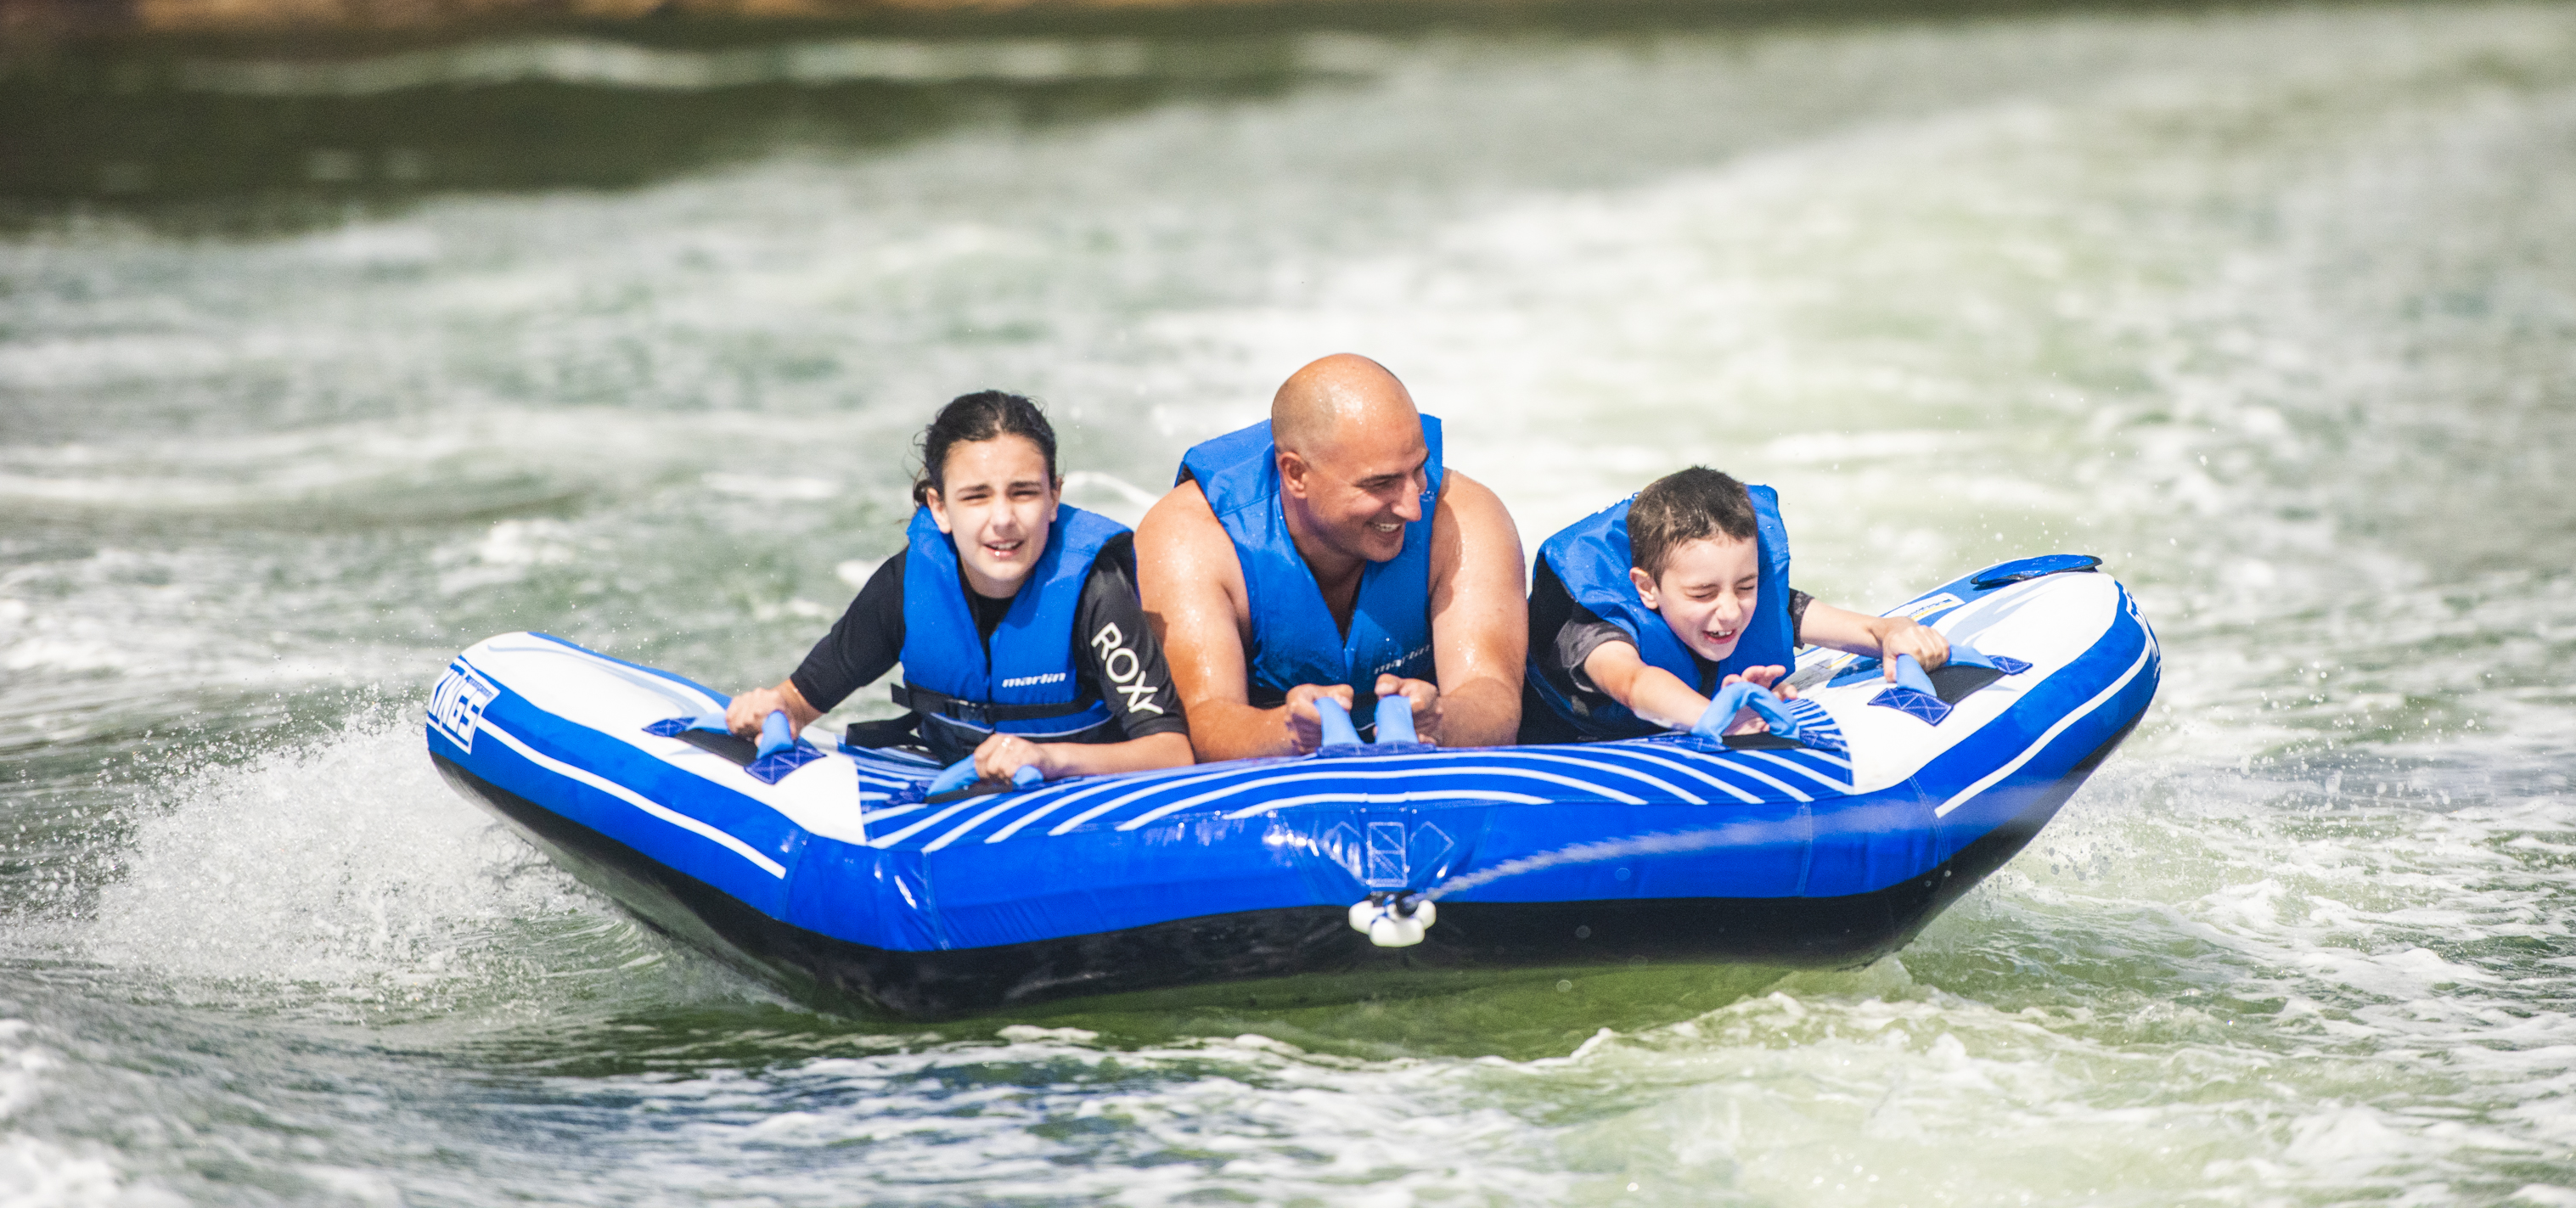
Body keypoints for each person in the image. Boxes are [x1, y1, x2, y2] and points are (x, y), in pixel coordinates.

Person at [723, 391, 1192, 788]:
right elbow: (800, 701)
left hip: (1075, 792)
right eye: (976, 496)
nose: (1003, 519)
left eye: (1023, 492)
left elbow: (1170, 752)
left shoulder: (1095, 592)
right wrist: (772, 708)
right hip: (948, 784)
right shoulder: (906, 587)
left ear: (1054, 498)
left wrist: (1050, 760)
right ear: (939, 507)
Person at [1134, 354, 1527, 759]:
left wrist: (1440, 720)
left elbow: (1495, 697)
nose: (1413, 507)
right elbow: (1197, 722)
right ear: (1295, 474)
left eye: (1418, 471)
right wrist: (1288, 732)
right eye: (1382, 484)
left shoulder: (1464, 515)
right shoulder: (1190, 538)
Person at [1520, 464, 1954, 742]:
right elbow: (1633, 685)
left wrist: (1893, 634)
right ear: (1647, 588)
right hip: (1548, 742)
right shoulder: (1595, 630)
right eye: (1703, 594)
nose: (1730, 610)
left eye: (1745, 586)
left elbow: (1856, 628)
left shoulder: (1749, 603)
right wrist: (1715, 715)